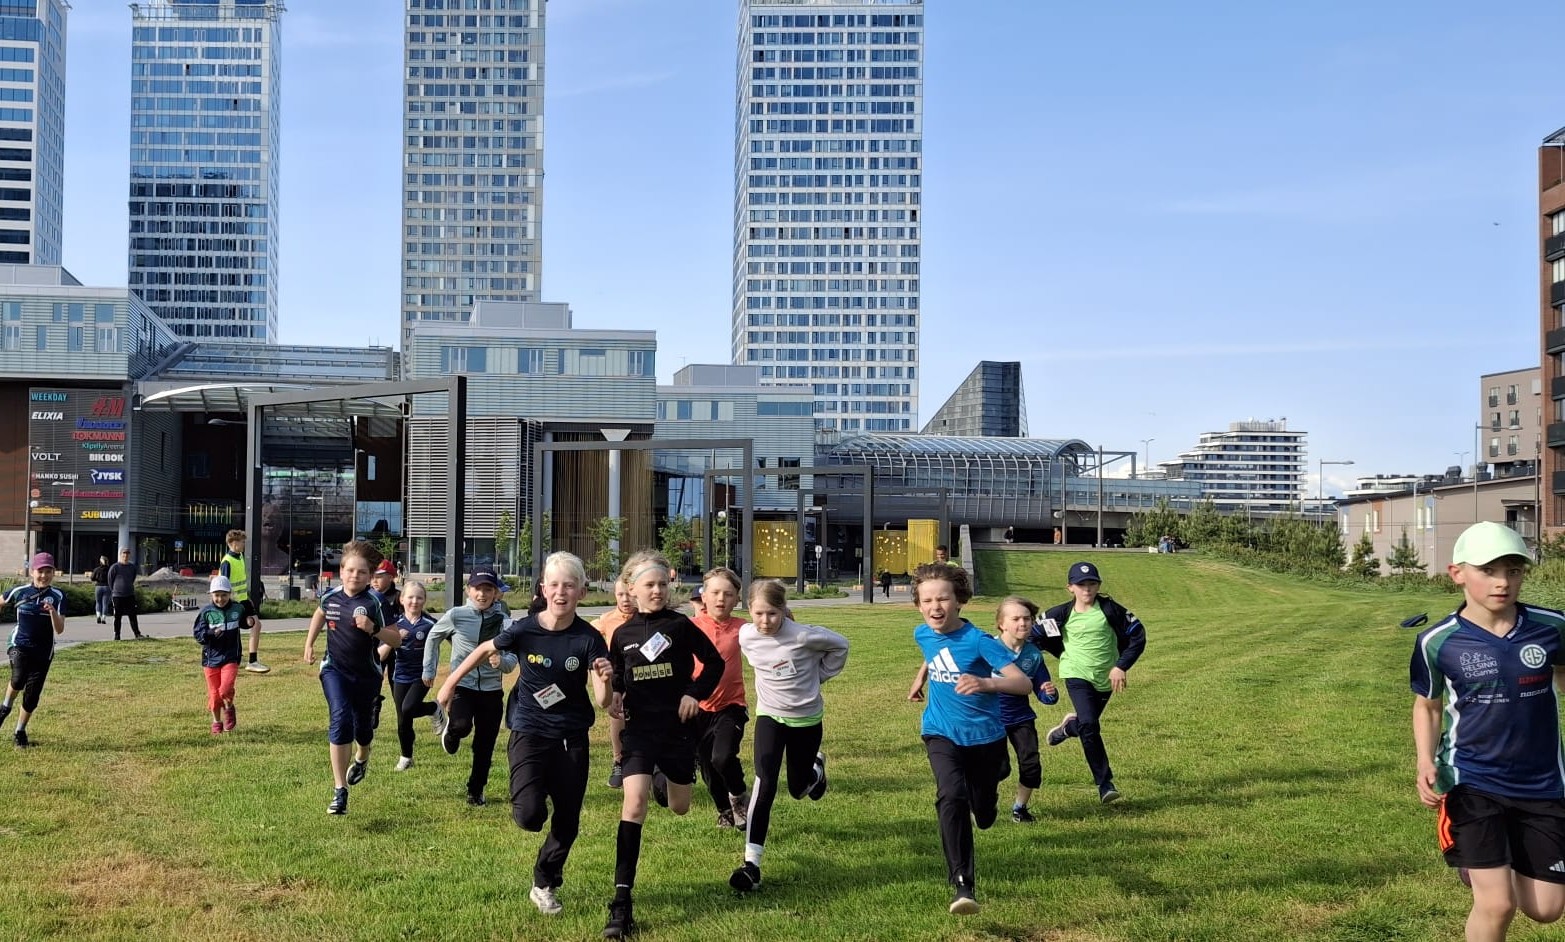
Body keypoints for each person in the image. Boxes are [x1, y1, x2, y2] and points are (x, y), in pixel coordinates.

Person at [1411, 521, 1565, 940]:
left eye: (1513, 571)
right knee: (1497, 904)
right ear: (1457, 573)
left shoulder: (1552, 627)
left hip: (1543, 782)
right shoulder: (1437, 641)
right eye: (1488, 571)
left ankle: (1486, 861)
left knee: (1547, 908)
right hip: (1472, 780)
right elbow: (1428, 705)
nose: (1503, 582)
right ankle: (1483, 863)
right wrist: (1424, 761)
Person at [437, 551, 612, 917]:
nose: (561, 592)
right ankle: (534, 790)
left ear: (582, 592)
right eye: (554, 585)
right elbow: (485, 649)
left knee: (568, 818)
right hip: (529, 729)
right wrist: (450, 684)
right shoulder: (525, 629)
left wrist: (605, 680)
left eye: (569, 586)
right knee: (530, 816)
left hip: (572, 735)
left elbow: (602, 701)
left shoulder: (589, 638)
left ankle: (544, 882)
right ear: (543, 589)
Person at [601, 549, 724, 939]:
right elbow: (619, 676)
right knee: (633, 805)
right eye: (649, 585)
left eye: (661, 585)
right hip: (640, 732)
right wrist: (616, 693)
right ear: (632, 590)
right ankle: (621, 903)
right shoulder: (622, 634)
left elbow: (715, 663)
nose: (656, 591)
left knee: (679, 806)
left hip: (678, 731)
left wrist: (693, 694)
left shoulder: (679, 625)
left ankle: (661, 777)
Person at [905, 562, 1030, 915]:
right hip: (940, 731)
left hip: (985, 737)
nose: (935, 606)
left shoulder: (979, 642)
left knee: (984, 812)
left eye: (943, 598)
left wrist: (986, 683)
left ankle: (989, 794)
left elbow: (1023, 683)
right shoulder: (922, 633)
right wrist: (920, 679)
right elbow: (934, 654)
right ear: (918, 605)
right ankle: (963, 884)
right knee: (951, 796)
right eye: (927, 600)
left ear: (959, 600)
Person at [729, 579, 849, 893]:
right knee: (764, 782)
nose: (765, 621)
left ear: (783, 609)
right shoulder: (747, 635)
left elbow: (841, 645)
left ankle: (816, 770)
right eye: (758, 614)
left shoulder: (804, 636)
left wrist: (819, 675)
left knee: (798, 789)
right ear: (749, 610)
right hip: (769, 716)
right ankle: (751, 865)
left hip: (806, 720)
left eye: (772, 613)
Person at [1034, 561, 1147, 804]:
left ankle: (1068, 728)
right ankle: (1105, 784)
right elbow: (1034, 634)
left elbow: (1138, 636)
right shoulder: (1059, 614)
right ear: (1070, 587)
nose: (1087, 588)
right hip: (1076, 674)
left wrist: (1121, 666)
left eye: (1092, 583)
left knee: (1087, 725)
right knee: (1090, 725)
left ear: (1098, 585)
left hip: (1105, 678)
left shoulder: (1110, 610)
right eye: (1081, 584)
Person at [302, 540, 400, 815]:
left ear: (369, 576)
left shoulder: (376, 602)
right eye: (350, 570)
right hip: (334, 669)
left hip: (367, 675)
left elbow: (396, 640)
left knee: (363, 730)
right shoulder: (330, 596)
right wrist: (309, 644)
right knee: (339, 718)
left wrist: (374, 629)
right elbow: (320, 613)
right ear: (341, 571)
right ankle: (339, 790)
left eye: (361, 572)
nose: (354, 576)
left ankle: (363, 756)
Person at [423, 567, 516, 806]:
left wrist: (501, 662)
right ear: (468, 590)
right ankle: (452, 732)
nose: (482, 594)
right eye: (477, 589)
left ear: (496, 593)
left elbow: (512, 659)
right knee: (462, 726)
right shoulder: (456, 615)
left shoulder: (504, 621)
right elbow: (433, 636)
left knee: (485, 744)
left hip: (491, 690)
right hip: (463, 685)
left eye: (488, 589)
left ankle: (476, 790)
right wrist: (428, 669)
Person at [690, 567, 750, 830]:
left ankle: (739, 797)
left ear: (737, 599)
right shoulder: (690, 627)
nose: (721, 599)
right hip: (698, 709)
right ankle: (724, 811)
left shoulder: (743, 629)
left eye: (728, 594)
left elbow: (776, 629)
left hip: (731, 706)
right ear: (703, 596)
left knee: (722, 757)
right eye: (714, 593)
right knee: (708, 765)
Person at [994, 596, 1057, 823]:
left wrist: (1049, 692)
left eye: (1027, 618)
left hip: (1021, 718)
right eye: (1016, 619)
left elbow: (1044, 692)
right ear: (1002, 624)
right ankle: (982, 799)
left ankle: (1019, 809)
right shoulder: (989, 649)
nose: (1023, 623)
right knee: (999, 769)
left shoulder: (1033, 654)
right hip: (991, 719)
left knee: (1031, 765)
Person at [0, 553, 66, 747]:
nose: (44, 576)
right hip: (19, 644)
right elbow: (1, 601)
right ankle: (4, 708)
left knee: (32, 696)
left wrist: (53, 612)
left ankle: (20, 732)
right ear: (32, 572)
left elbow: (59, 630)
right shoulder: (19, 591)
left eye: (48, 571)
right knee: (18, 678)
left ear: (53, 573)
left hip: (43, 651)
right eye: (40, 571)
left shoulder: (59, 596)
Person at [381, 580, 439, 771]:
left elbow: (451, 639)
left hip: (422, 676)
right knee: (403, 720)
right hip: (400, 675)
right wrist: (395, 639)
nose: (415, 601)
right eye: (411, 597)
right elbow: (380, 655)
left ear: (424, 600)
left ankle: (433, 708)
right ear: (402, 599)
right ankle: (406, 757)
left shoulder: (430, 624)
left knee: (408, 708)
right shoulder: (394, 625)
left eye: (419, 598)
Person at [592, 577, 637, 788]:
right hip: (619, 677)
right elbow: (589, 633)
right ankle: (618, 761)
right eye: (620, 595)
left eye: (629, 594)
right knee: (617, 716)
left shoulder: (644, 617)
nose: (625, 599)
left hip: (642, 676)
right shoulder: (607, 619)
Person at [193, 576, 245, 735]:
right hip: (211, 660)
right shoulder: (206, 612)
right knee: (215, 696)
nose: (220, 599)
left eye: (224, 595)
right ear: (211, 595)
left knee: (225, 689)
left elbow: (244, 621)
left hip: (230, 657)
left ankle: (229, 708)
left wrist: (249, 621)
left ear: (230, 594)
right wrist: (209, 633)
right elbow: (198, 634)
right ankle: (216, 721)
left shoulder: (237, 608)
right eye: (216, 595)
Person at [219, 530, 267, 672]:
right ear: (234, 543)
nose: (244, 544)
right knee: (234, 630)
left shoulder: (239, 556)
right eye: (242, 542)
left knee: (256, 625)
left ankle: (252, 661)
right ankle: (231, 661)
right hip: (234, 603)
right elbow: (224, 585)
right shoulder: (227, 562)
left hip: (244, 600)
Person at [369, 559, 402, 730]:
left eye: (379, 576)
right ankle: (373, 709)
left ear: (391, 577)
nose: (374, 580)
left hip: (396, 648)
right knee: (372, 682)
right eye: (372, 576)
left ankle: (403, 719)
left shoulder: (399, 597)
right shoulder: (368, 597)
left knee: (397, 686)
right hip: (374, 647)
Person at [107, 548, 145, 641]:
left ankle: (137, 633)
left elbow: (132, 578)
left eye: (127, 554)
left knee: (132, 615)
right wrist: (115, 590)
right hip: (117, 595)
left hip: (129, 594)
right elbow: (110, 580)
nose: (125, 556)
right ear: (120, 555)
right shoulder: (115, 567)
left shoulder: (132, 567)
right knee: (117, 616)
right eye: (124, 554)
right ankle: (117, 635)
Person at [90, 555, 110, 624]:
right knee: (105, 603)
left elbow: (92, 578)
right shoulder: (110, 569)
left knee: (98, 602)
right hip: (107, 587)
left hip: (98, 586)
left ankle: (98, 616)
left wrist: (97, 578)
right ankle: (103, 618)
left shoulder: (96, 569)